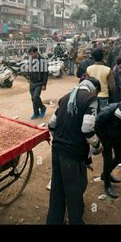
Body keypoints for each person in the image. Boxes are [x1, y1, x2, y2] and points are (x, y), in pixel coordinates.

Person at [46, 78, 101, 224]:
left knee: (57, 190)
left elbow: (51, 124)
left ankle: (54, 221)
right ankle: (75, 221)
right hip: (72, 154)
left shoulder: (65, 98)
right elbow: (87, 129)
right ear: (94, 89)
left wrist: (61, 139)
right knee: (74, 193)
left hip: (57, 149)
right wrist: (97, 145)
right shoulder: (91, 99)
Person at [95, 97, 121, 198]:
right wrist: (103, 139)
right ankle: (107, 185)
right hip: (105, 137)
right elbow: (97, 125)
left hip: (117, 136)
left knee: (120, 157)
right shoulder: (107, 111)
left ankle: (105, 175)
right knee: (108, 160)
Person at [27, 46, 48, 120]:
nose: (31, 55)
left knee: (36, 97)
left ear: (36, 52)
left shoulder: (42, 60)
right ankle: (36, 113)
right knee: (33, 98)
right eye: (30, 54)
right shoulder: (30, 59)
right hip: (32, 82)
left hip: (39, 83)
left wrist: (44, 84)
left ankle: (42, 107)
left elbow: (45, 73)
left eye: (32, 54)